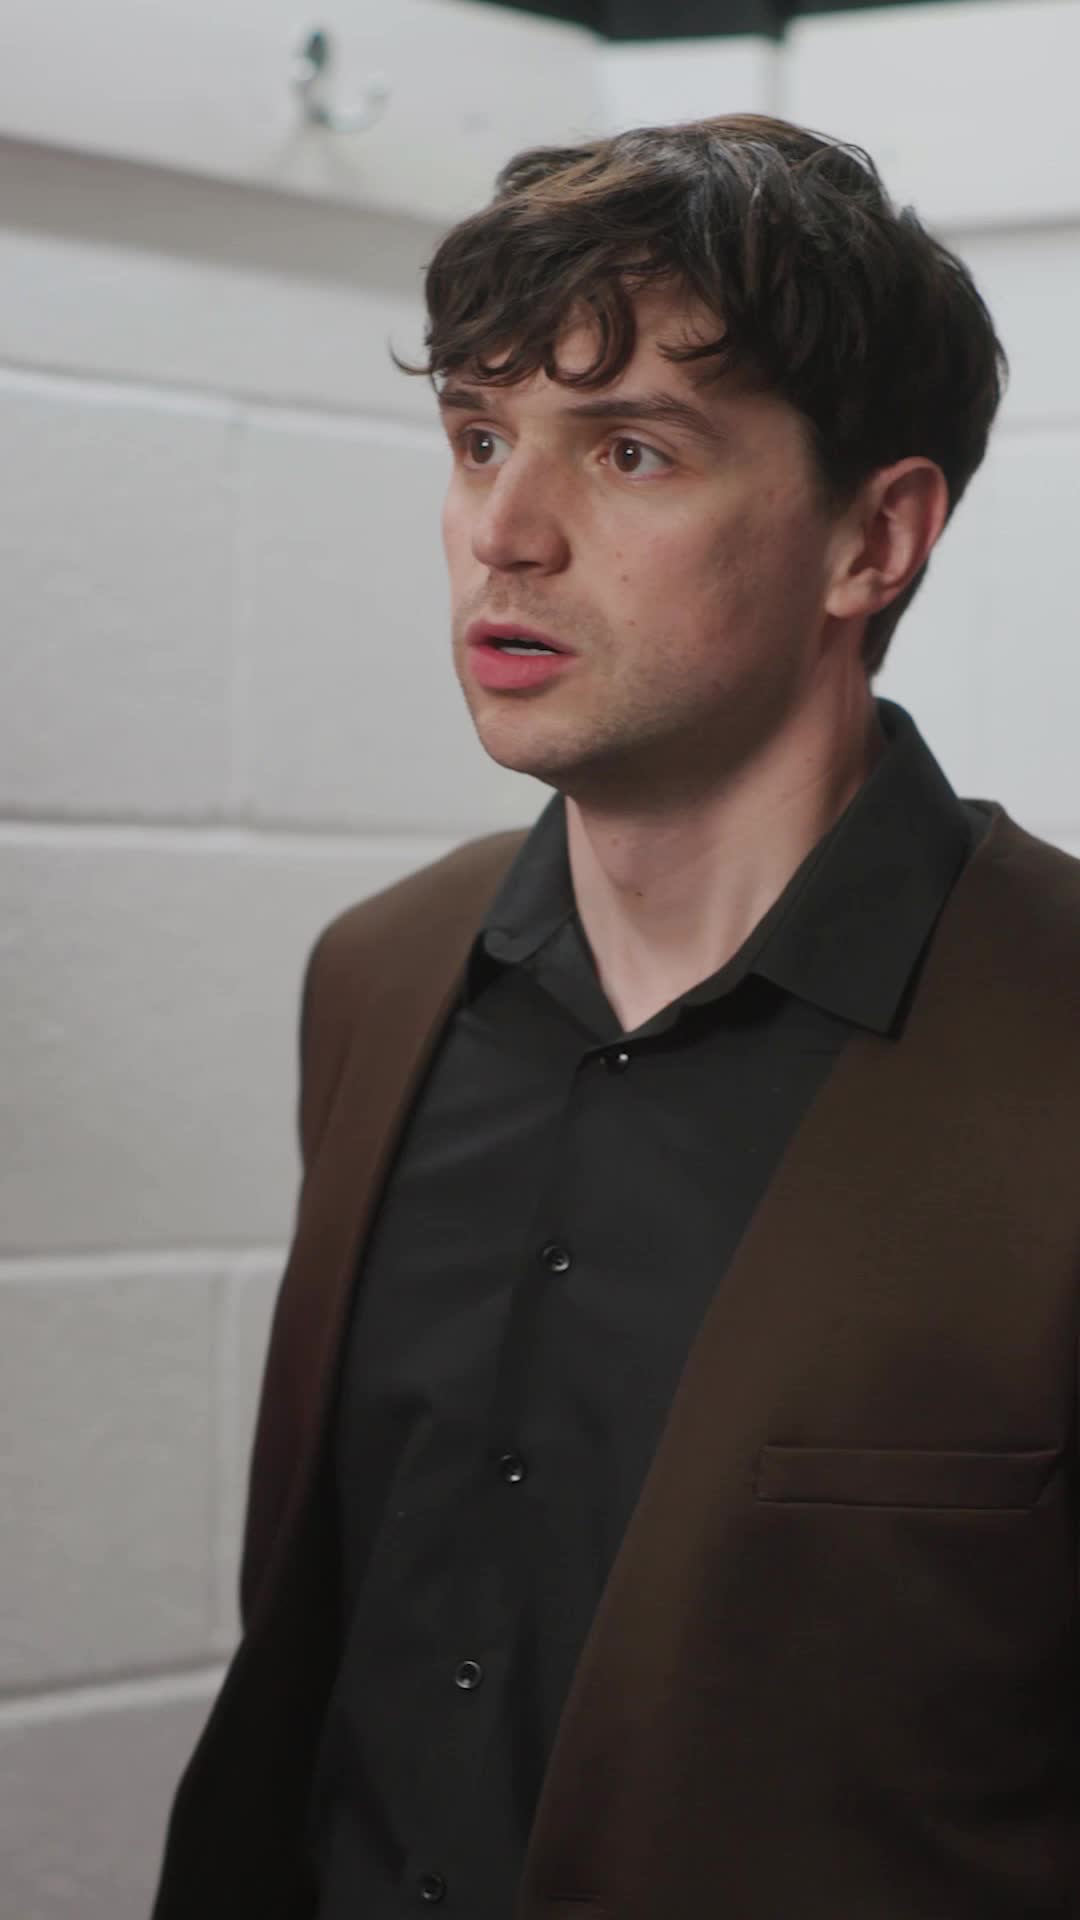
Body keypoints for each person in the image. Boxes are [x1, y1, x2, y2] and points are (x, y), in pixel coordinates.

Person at [151, 114, 1080, 1920]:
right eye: (478, 437)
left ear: (874, 537)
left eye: (630, 450)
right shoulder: (380, 979)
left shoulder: (1058, 1034)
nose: (504, 534)